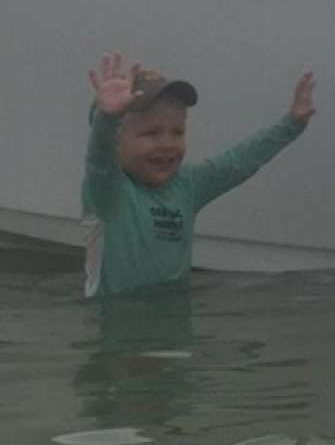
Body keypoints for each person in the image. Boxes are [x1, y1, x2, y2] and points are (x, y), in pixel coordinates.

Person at [81, 51, 316, 299]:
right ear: (116, 142)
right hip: (115, 326)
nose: (167, 143)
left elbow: (237, 162)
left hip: (174, 323)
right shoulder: (106, 193)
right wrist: (107, 121)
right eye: (151, 133)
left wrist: (291, 124)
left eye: (177, 132)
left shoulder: (187, 185)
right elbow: (100, 160)